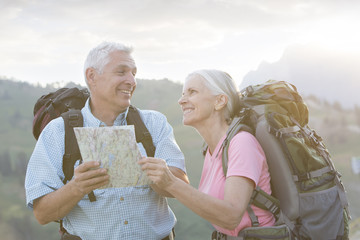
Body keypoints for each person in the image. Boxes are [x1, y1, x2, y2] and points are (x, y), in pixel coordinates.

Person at [25, 41, 189, 240]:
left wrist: (156, 176)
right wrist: (77, 187)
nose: (131, 81)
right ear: (92, 76)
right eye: (121, 72)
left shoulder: (154, 123)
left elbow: (182, 185)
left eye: (133, 73)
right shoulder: (57, 132)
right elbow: (42, 214)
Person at [139, 69, 275, 238]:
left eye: (192, 92)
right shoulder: (212, 150)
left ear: (219, 101)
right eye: (182, 94)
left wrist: (170, 182)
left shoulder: (242, 143)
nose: (181, 101)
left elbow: (231, 217)